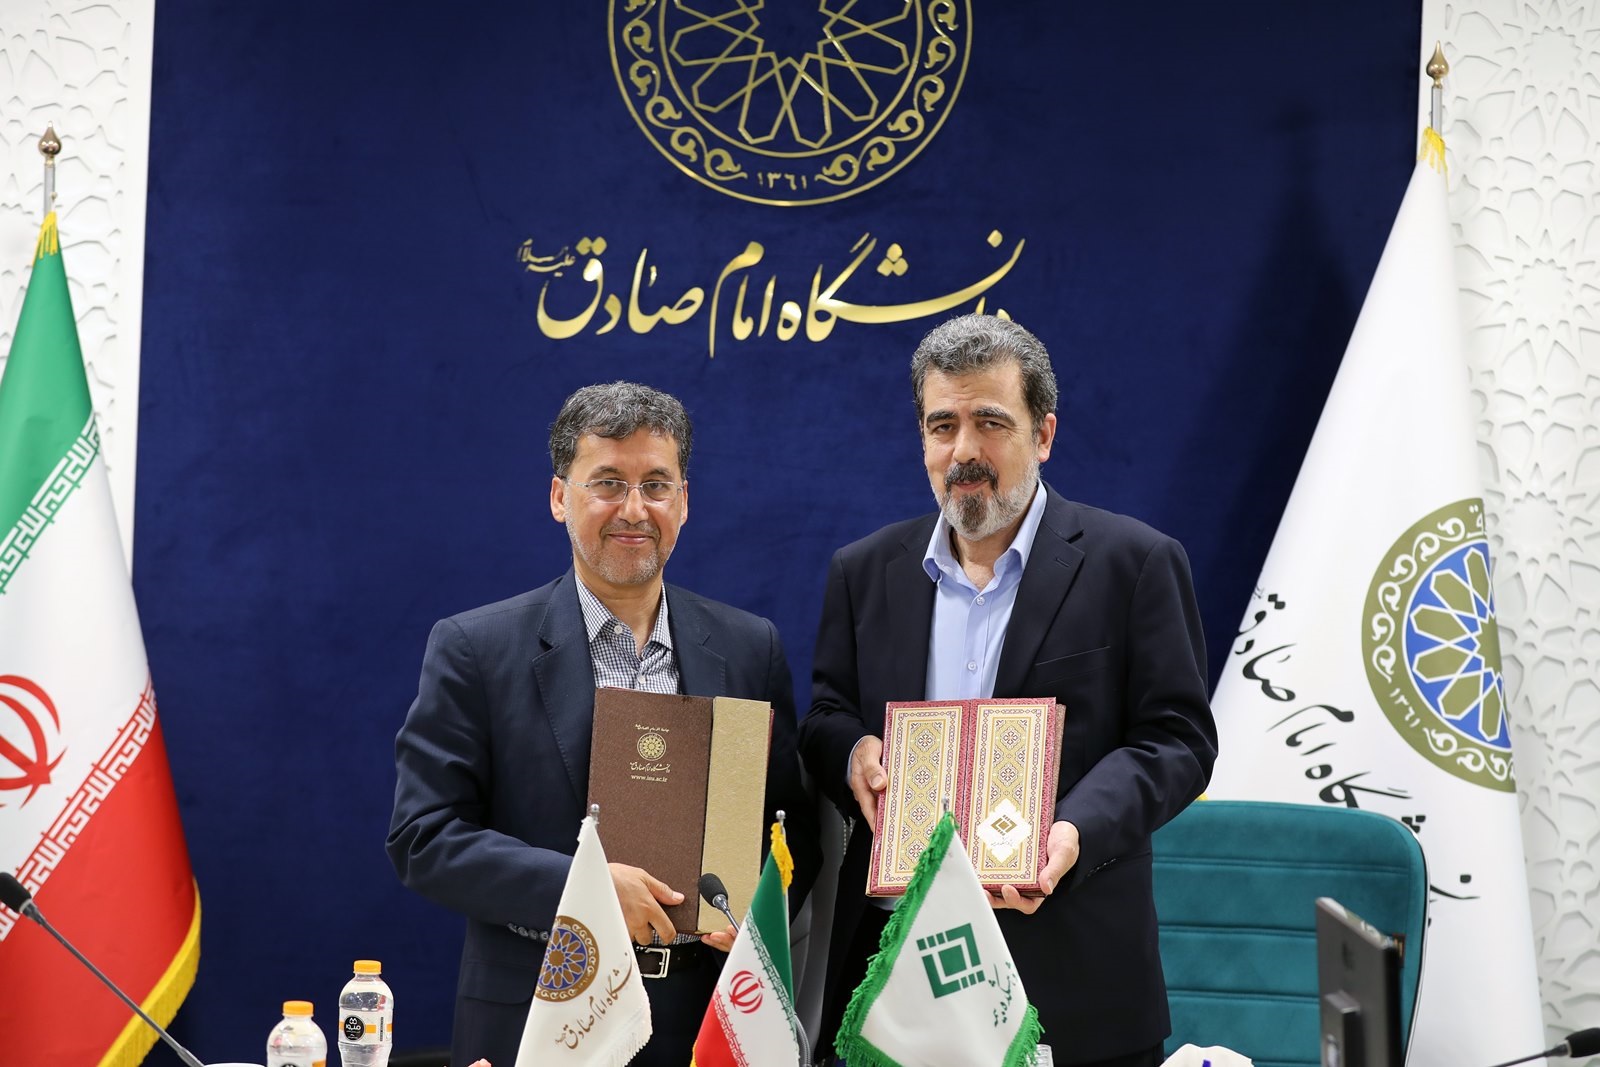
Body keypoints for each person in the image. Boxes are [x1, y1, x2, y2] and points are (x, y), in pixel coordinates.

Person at [799, 315, 1217, 1067]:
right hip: (894, 985)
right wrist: (854, 751)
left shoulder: (1135, 563)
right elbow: (827, 714)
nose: (964, 450)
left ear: (1044, 433)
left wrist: (1074, 832)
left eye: (990, 422)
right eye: (943, 425)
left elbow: (1178, 740)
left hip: (1073, 981)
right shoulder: (863, 571)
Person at [388, 381, 817, 1067]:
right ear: (560, 497)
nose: (634, 509)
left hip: (706, 1023)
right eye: (608, 483)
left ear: (684, 501)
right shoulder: (477, 648)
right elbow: (423, 837)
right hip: (541, 1015)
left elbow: (790, 834)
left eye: (656, 485)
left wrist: (754, 911)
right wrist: (581, 887)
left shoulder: (748, 648)